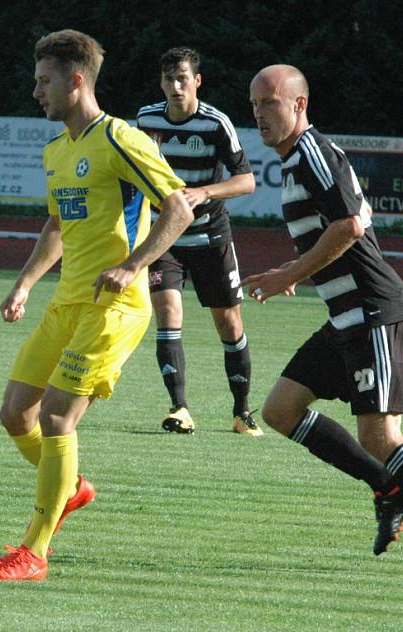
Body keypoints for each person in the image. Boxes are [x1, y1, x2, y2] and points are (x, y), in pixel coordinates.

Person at [243, 64, 403, 579]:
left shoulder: (311, 153)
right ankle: (386, 485)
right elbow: (345, 230)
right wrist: (295, 273)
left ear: (299, 104)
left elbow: (350, 226)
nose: (260, 114)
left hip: (374, 311)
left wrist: (292, 269)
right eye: (255, 105)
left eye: (270, 103)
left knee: (381, 434)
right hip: (347, 316)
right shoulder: (298, 161)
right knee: (281, 410)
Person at [0, 30, 194, 581]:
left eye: (44, 81)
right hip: (66, 302)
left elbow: (179, 207)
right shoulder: (56, 150)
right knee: (14, 413)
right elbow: (57, 224)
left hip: (113, 309)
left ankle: (34, 551)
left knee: (55, 417)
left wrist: (133, 263)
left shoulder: (121, 139)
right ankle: (70, 488)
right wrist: (24, 284)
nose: (35, 92)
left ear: (76, 81)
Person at [136, 47, 261, 436]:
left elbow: (247, 180)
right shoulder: (146, 119)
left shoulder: (215, 124)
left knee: (228, 322)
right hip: (165, 237)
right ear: (161, 83)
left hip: (210, 235)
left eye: (183, 79)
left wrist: (204, 192)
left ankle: (241, 412)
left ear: (197, 82)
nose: (176, 86)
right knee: (168, 315)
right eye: (169, 79)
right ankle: (180, 408)